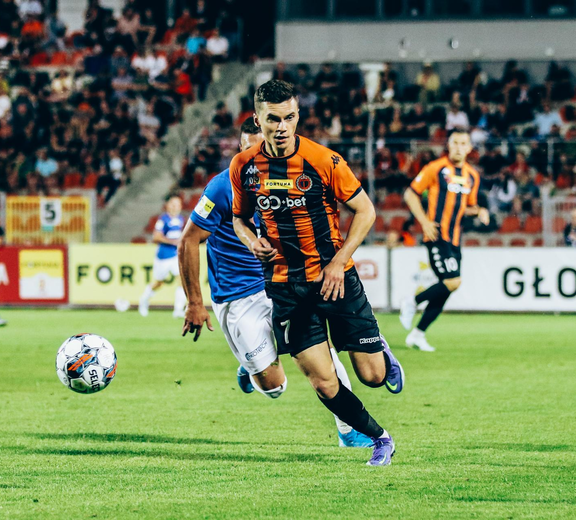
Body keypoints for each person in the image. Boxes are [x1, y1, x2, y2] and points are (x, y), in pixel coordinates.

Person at [230, 80, 405, 466]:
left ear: (298, 116)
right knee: (323, 382)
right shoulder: (243, 166)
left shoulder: (324, 160)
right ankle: (380, 438)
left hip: (335, 280)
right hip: (286, 287)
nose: (281, 127)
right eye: (272, 119)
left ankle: (381, 350)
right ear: (257, 120)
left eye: (289, 117)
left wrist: (339, 261)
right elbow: (239, 218)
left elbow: (366, 211)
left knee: (373, 376)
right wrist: (250, 240)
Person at [178, 119, 371, 447]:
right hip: (238, 296)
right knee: (274, 386)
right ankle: (250, 366)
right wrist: (195, 302)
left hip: (283, 283)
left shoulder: (292, 179)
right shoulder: (222, 187)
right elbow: (188, 240)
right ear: (241, 150)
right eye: (250, 147)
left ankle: (350, 430)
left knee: (323, 354)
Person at [400, 129, 490, 352]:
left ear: (469, 148)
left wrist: (480, 211)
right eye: (455, 143)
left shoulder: (472, 175)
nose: (459, 147)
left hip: (455, 240)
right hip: (437, 235)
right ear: (448, 145)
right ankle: (412, 301)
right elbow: (410, 194)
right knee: (453, 281)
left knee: (447, 287)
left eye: (463, 143)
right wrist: (425, 222)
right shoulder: (436, 168)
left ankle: (417, 335)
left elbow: (466, 207)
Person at [139, 196, 187, 318]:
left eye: (177, 205)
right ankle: (144, 300)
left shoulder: (181, 220)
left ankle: (178, 310)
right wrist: (173, 242)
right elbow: (156, 237)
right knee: (158, 283)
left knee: (182, 281)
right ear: (168, 206)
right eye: (173, 204)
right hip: (164, 256)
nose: (175, 207)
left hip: (176, 256)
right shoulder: (163, 220)